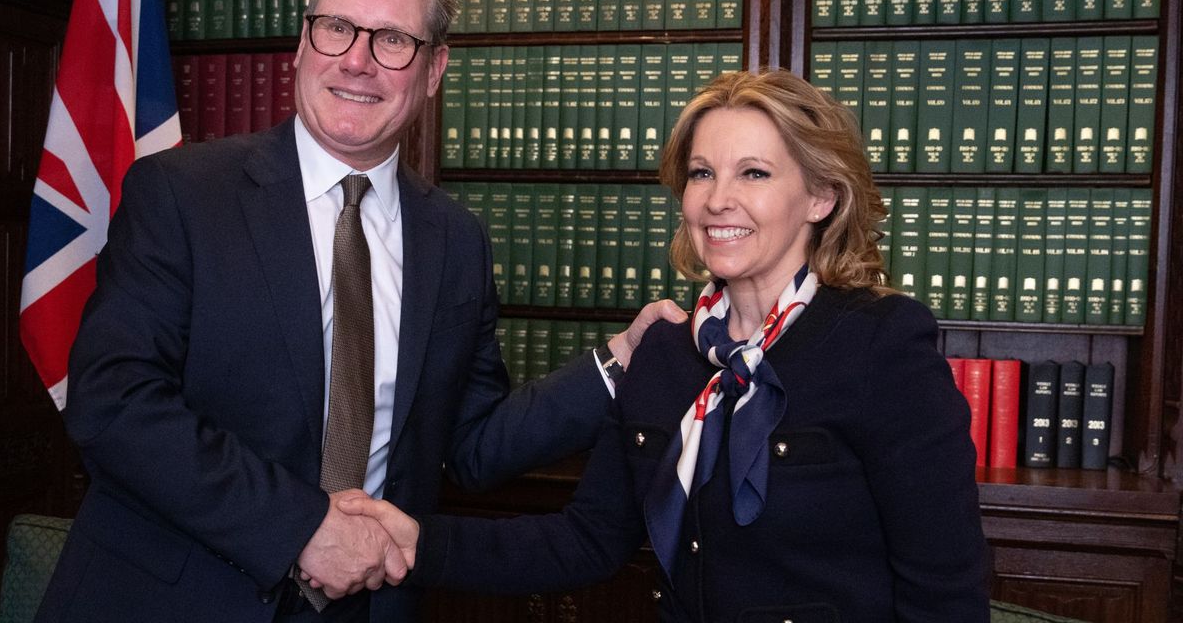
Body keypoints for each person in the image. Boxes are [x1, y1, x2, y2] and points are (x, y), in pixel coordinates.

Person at [34, 0, 683, 623]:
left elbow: (469, 445)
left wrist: (616, 363)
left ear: (434, 71)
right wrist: (302, 527)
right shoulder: (183, 194)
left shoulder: (456, 240)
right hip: (170, 601)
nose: (357, 62)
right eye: (336, 28)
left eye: (393, 40)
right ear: (301, 44)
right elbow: (114, 400)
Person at [346, 69, 992, 621]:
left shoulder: (882, 345)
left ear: (821, 196)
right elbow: (586, 540)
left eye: (755, 173)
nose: (718, 200)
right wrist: (414, 542)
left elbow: (947, 591)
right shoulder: (662, 355)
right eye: (702, 172)